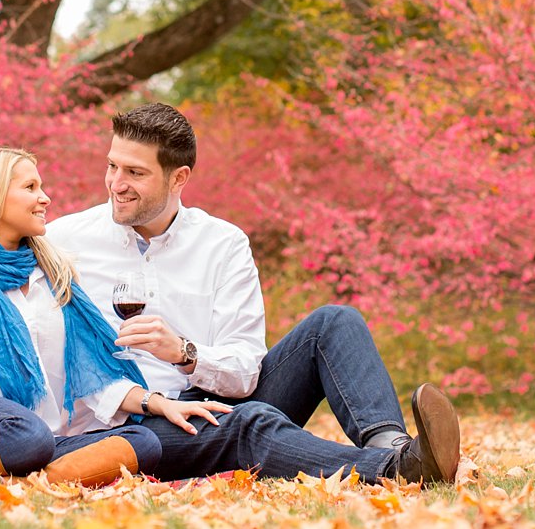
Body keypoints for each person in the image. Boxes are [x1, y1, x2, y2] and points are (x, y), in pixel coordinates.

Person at [46, 104, 461, 485]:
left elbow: (246, 370)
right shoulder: (66, 242)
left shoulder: (222, 243)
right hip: (133, 425)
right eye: (112, 166)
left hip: (218, 399)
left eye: (135, 173)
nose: (116, 184)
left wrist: (185, 353)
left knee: (335, 322)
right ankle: (397, 472)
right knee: (250, 421)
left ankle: (391, 445)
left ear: (179, 178)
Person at [0, 145, 232, 487]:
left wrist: (158, 403)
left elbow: (89, 372)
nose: (45, 198)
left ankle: (27, 482)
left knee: (143, 442)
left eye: (42, 187)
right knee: (26, 432)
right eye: (30, 188)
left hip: (42, 435)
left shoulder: (54, 275)